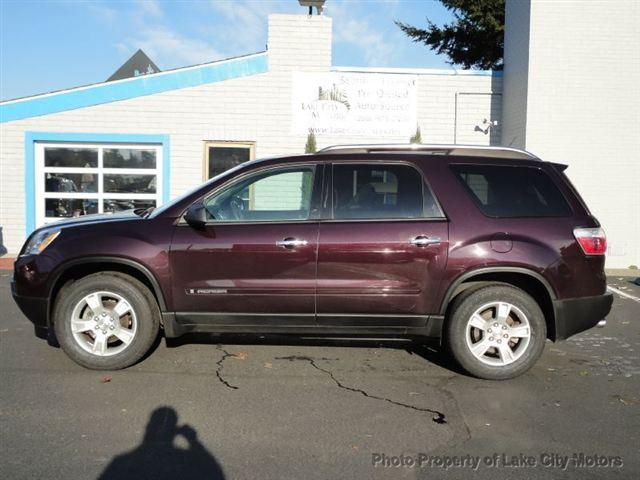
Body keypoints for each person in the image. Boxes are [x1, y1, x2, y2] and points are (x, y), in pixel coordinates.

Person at [98, 407, 224, 480]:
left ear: (148, 427)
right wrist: (194, 441)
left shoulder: (121, 462)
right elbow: (213, 473)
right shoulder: (184, 459)